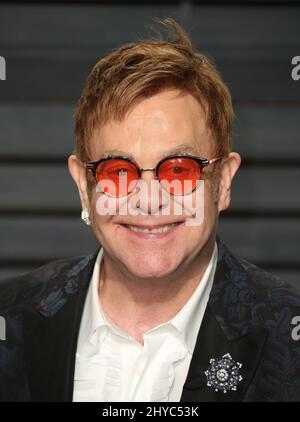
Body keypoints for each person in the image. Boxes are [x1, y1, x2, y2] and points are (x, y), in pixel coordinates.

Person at [0, 18, 299, 403]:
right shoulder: (10, 315)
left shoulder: (288, 339)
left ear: (222, 182)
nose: (148, 198)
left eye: (178, 169)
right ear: (82, 186)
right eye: (117, 170)